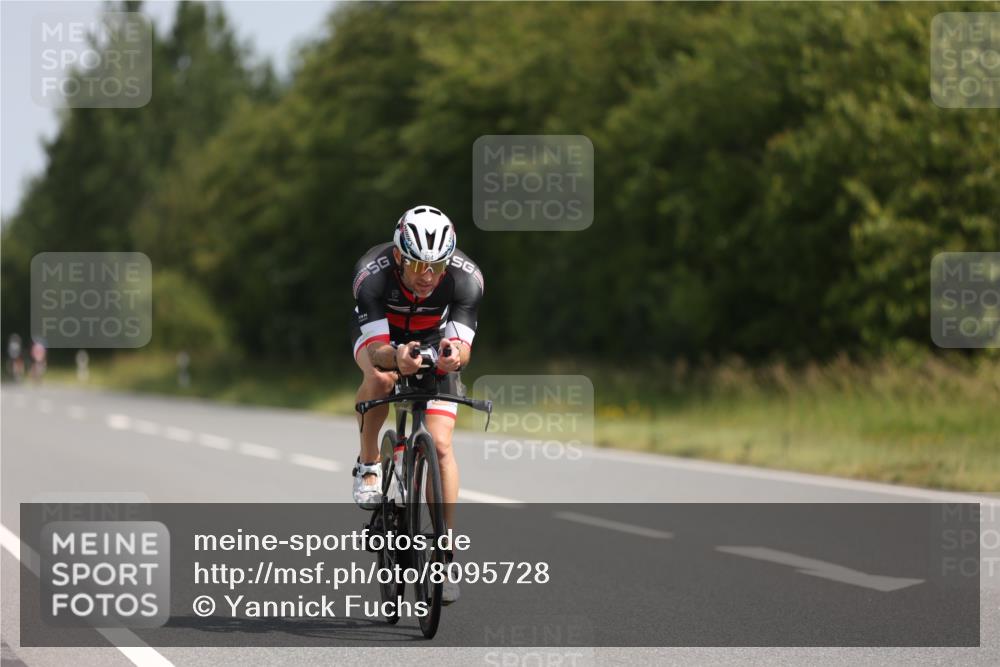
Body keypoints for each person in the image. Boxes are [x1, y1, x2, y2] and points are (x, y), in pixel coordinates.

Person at [349, 205, 483, 604]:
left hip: (432, 338)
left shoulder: (467, 279)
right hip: (382, 338)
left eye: (437, 267)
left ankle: (444, 552)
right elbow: (376, 352)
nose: (427, 277)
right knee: (382, 377)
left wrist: (453, 357)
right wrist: (397, 358)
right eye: (416, 265)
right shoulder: (371, 274)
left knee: (441, 445)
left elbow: (461, 347)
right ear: (397, 256)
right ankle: (369, 463)